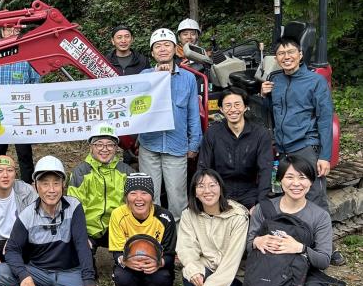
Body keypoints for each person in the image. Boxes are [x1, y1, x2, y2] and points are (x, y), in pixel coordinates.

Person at [0, 156, 105, 286]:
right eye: (45, 184)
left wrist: (89, 282)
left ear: (63, 185)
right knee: (1, 272)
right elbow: (12, 249)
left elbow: (82, 245)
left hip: (69, 271)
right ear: (36, 186)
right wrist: (24, 276)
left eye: (56, 183)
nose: (51, 190)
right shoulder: (28, 214)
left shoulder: (74, 208)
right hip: (38, 272)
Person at [260, 37, 341, 265]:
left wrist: (324, 156)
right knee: (286, 195)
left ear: (300, 54)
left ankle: (327, 248)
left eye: (290, 52)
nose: (286, 57)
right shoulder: (275, 80)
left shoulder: (315, 82)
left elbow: (325, 119)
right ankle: (296, 241)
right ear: (276, 58)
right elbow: (273, 113)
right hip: (283, 149)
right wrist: (264, 96)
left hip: (306, 146)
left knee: (315, 196)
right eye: (281, 53)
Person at [241, 156, 334, 286]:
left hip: (304, 274)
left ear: (310, 182)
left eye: (302, 178)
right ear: (280, 180)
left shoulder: (319, 216)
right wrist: (256, 242)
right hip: (271, 270)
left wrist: (299, 247)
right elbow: (247, 245)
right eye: (290, 177)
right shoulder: (264, 209)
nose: (296, 184)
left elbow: (324, 259)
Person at [138, 28, 201, 219]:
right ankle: (152, 241)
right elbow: (137, 110)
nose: (163, 49)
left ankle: (178, 244)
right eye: (158, 46)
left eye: (167, 45)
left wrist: (194, 143)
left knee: (177, 198)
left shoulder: (188, 78)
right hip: (149, 145)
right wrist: (156, 79)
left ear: (175, 49)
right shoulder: (144, 76)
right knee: (149, 196)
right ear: (152, 52)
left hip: (176, 146)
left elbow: (193, 113)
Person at [177, 169, 249, 286]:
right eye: (201, 186)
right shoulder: (189, 215)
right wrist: (194, 270)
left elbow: (233, 259)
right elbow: (186, 248)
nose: (207, 191)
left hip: (232, 275)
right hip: (206, 268)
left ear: (221, 188)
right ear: (194, 192)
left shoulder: (238, 216)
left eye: (212, 185)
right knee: (190, 271)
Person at [109, 173, 179, 286]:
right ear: (126, 197)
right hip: (130, 266)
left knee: (162, 278)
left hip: (155, 268)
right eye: (133, 193)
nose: (139, 198)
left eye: (144, 193)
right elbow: (116, 251)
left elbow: (169, 254)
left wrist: (158, 263)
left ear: (152, 197)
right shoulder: (117, 215)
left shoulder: (165, 218)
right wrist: (124, 260)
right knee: (122, 277)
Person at [68, 122, 134, 269]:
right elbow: (74, 208)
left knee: (129, 269)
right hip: (89, 229)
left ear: (116, 148)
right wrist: (81, 236)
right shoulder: (81, 172)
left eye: (110, 145)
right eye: (99, 144)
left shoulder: (126, 171)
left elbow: (135, 204)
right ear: (91, 146)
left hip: (119, 228)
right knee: (83, 268)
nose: (105, 149)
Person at [198, 87, 273, 209]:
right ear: (221, 109)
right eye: (227, 105)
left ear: (245, 107)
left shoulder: (260, 134)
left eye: (237, 104)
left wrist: (260, 203)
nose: (233, 109)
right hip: (220, 192)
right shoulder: (212, 133)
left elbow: (265, 170)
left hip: (250, 192)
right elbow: (203, 168)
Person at [0, 25, 40, 183]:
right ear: (2, 32)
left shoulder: (27, 57)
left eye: (16, 29)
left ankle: (27, 186)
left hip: (20, 114)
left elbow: (35, 83)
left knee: (24, 154)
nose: (12, 32)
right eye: (8, 29)